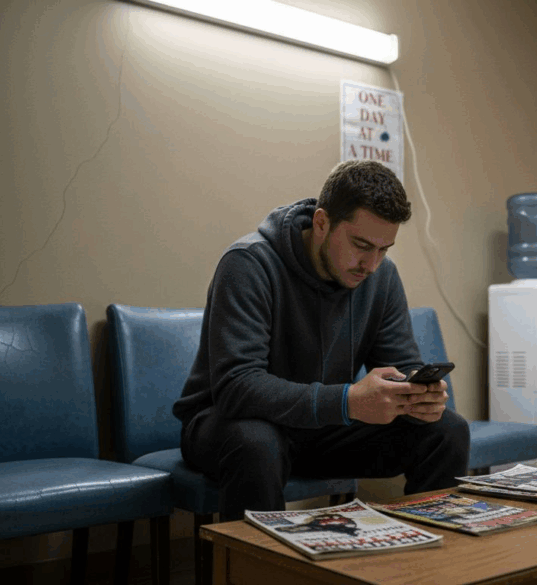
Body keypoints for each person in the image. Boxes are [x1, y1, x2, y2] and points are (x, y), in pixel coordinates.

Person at [174, 159, 471, 521]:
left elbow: (400, 364)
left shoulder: (381, 278)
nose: (371, 264)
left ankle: (432, 567)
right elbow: (237, 387)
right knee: (257, 442)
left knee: (447, 430)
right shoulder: (248, 264)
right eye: (361, 244)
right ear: (321, 223)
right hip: (227, 423)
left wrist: (417, 396)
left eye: (384, 249)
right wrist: (346, 401)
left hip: (320, 429)